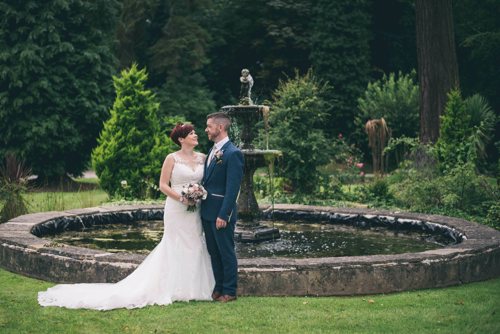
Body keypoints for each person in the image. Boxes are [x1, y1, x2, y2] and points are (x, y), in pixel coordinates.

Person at [38, 123, 215, 310]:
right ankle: (171, 286)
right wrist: (181, 197)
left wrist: (198, 194)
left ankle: (193, 287)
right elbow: (163, 185)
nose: (196, 135)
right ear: (181, 139)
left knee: (194, 241)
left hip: (195, 209)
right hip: (176, 208)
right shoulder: (171, 158)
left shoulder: (203, 158)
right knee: (174, 243)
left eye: (195, 132)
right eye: (191, 133)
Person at [201, 112, 244, 303]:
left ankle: (230, 291)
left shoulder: (233, 153)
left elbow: (233, 188)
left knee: (226, 251)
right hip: (207, 212)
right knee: (213, 251)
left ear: (220, 127)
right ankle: (218, 287)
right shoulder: (212, 151)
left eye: (209, 126)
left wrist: (224, 214)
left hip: (221, 213)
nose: (206, 130)